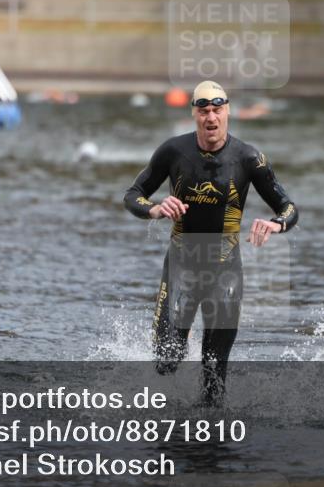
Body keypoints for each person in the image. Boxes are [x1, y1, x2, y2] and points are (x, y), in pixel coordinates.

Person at [124, 81, 298, 405]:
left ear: (227, 111)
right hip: (181, 268)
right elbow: (132, 195)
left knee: (214, 382)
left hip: (225, 273)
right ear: (194, 114)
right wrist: (156, 209)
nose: (211, 118)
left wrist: (275, 224)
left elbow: (289, 207)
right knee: (165, 363)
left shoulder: (249, 159)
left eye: (217, 110)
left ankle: (210, 450)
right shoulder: (173, 151)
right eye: (203, 111)